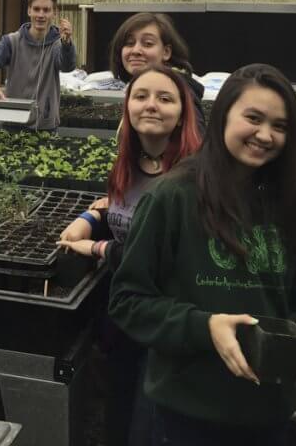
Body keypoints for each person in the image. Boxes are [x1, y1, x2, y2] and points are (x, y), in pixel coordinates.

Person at [110, 64, 296, 446]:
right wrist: (205, 326)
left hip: (267, 411)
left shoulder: (291, 202)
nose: (265, 135)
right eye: (253, 118)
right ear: (224, 114)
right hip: (187, 412)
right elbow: (129, 300)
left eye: (280, 126)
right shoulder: (174, 197)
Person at [58, 63, 203, 446]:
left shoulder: (196, 176)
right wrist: (90, 216)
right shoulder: (129, 164)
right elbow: (118, 204)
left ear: (182, 114)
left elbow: (167, 259)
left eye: (164, 98)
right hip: (126, 314)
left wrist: (97, 247)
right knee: (119, 412)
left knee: (151, 423)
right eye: (141, 97)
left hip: (168, 322)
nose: (150, 105)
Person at [0, 0, 76, 131]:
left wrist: (67, 44)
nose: (41, 14)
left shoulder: (57, 44)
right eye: (36, 9)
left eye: (46, 10)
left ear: (54, 13)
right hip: (13, 123)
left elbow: (67, 66)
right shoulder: (12, 41)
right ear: (29, 11)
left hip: (45, 125)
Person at [108, 11, 206, 132]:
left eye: (148, 44)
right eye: (129, 43)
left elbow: (196, 143)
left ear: (166, 52)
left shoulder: (182, 91)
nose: (136, 50)